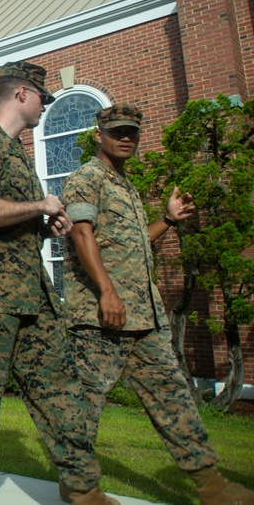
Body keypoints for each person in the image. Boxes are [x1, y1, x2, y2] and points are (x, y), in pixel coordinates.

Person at [62, 104, 254, 505]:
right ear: (100, 135)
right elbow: (82, 235)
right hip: (101, 318)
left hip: (143, 318)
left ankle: (210, 485)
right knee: (84, 406)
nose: (126, 138)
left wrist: (167, 219)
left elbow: (131, 244)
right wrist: (107, 292)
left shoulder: (127, 186)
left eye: (132, 131)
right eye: (117, 131)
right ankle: (79, 488)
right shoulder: (86, 178)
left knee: (174, 397)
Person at [0, 60, 117, 505]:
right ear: (22, 94)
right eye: (43, 96)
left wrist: (44, 226)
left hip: (32, 295)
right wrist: (40, 204)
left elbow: (9, 219)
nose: (46, 105)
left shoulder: (20, 154)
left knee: (59, 387)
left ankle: (81, 485)